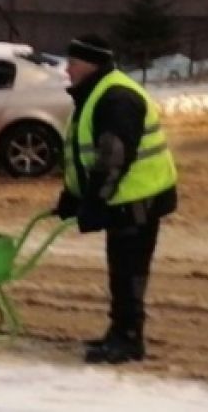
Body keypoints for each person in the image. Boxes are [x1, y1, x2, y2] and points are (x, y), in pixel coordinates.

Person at [54, 34, 178, 365]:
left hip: (137, 198)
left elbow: (113, 157)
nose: (67, 70)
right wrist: (73, 196)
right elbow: (87, 155)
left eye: (73, 63)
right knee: (121, 268)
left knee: (129, 269)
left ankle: (128, 339)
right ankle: (121, 332)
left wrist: (94, 203)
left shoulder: (116, 98)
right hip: (123, 198)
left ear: (91, 65)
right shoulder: (97, 93)